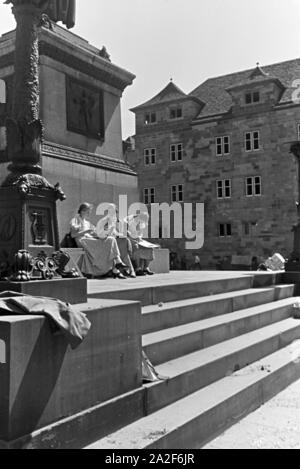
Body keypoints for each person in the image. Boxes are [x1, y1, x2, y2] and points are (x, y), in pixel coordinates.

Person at [70, 203, 127, 279]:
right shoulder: (75, 220)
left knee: (110, 239)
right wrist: (86, 231)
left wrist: (101, 233)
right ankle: (116, 265)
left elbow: (96, 231)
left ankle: (117, 262)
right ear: (82, 211)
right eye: (88, 211)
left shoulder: (87, 222)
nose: (89, 213)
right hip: (83, 241)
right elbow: (73, 235)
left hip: (90, 240)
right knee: (110, 241)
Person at [96, 204, 136, 278]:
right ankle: (129, 269)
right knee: (123, 246)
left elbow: (114, 233)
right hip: (104, 241)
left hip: (113, 240)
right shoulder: (105, 220)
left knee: (124, 242)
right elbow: (102, 233)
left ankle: (123, 269)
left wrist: (120, 235)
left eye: (114, 211)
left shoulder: (112, 221)